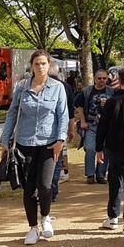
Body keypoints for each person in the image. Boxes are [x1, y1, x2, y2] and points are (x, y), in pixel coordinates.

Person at [1, 50, 68, 246]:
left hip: (49, 144)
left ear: (49, 65)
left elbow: (63, 115)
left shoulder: (57, 88)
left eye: (43, 63)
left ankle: (45, 217)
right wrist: (6, 141)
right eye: (37, 63)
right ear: (31, 66)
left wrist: (61, 140)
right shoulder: (22, 87)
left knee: (45, 185)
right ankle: (32, 228)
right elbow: (12, 114)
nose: (40, 67)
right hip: (25, 144)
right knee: (29, 188)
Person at [95, 67, 124, 234]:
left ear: (119, 81)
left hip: (113, 148)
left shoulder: (110, 102)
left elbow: (102, 127)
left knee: (114, 182)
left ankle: (113, 217)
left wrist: (98, 148)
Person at [76, 70, 113, 184]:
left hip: (107, 126)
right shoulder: (86, 91)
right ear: (95, 79)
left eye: (104, 78)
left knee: (105, 150)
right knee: (90, 148)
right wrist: (82, 121)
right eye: (99, 78)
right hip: (91, 124)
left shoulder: (112, 92)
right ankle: (90, 174)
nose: (102, 81)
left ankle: (101, 175)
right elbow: (78, 105)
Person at [49, 59, 77, 201]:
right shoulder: (65, 86)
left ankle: (46, 189)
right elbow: (70, 111)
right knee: (57, 160)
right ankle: (52, 190)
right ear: (58, 71)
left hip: (47, 130)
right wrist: (71, 129)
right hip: (61, 129)